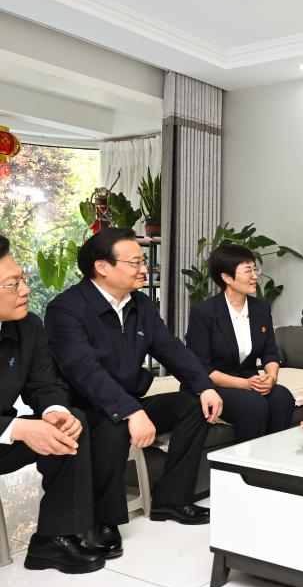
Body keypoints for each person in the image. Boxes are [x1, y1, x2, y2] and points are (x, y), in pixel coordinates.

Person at [45, 228, 223, 560]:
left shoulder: (139, 303)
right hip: (86, 405)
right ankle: (103, 521)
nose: (144, 269)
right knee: (113, 427)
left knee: (192, 406)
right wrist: (130, 410)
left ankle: (171, 499)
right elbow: (84, 370)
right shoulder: (66, 309)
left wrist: (205, 386)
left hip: (127, 399)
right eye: (135, 262)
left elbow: (171, 349)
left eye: (142, 261)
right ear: (102, 267)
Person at [0, 235, 104, 573]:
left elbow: (45, 383)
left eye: (23, 280)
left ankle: (53, 538)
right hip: (5, 430)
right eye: (12, 284)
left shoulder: (28, 326)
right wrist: (17, 427)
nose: (25, 290)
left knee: (71, 422)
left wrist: (54, 412)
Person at [185, 243, 294, 442]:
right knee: (254, 405)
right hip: (214, 385)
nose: (255, 276)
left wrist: (271, 377)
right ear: (227, 277)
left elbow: (270, 353)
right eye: (247, 271)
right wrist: (244, 384)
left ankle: (274, 462)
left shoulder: (260, 309)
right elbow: (200, 367)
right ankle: (247, 467)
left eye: (255, 269)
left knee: (282, 397)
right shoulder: (204, 313)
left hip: (249, 382)